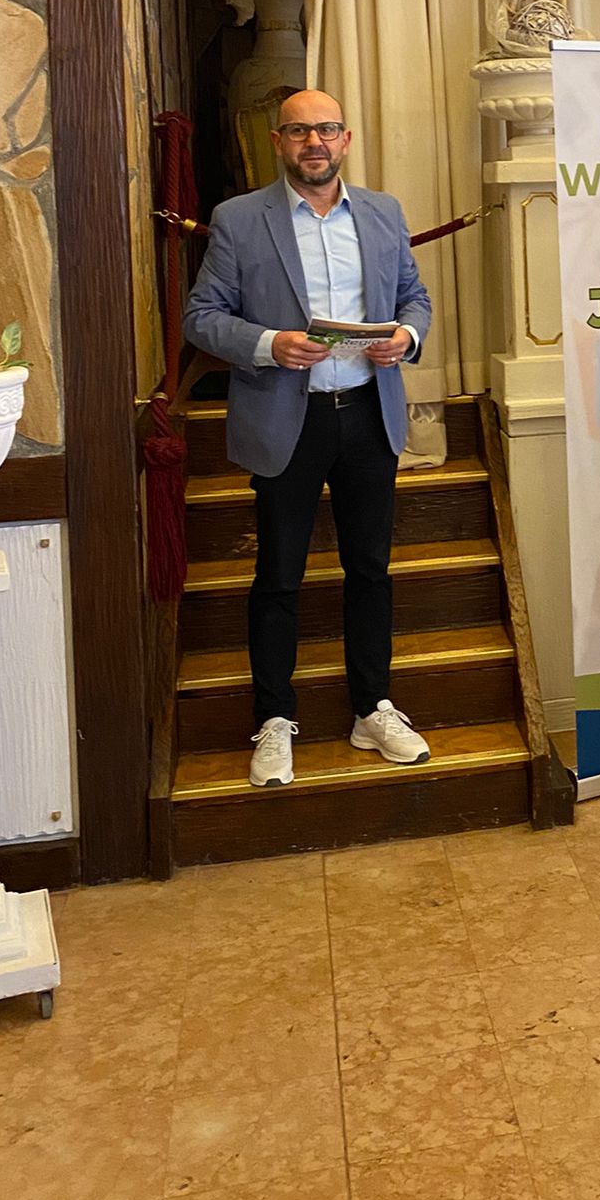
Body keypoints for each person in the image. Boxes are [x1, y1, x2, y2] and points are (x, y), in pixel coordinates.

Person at [182, 89, 434, 788]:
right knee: (278, 576)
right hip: (284, 419)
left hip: (368, 413)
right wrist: (269, 343)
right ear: (277, 142)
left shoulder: (382, 212)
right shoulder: (239, 219)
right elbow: (201, 316)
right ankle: (273, 718)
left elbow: (413, 297)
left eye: (326, 130)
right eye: (299, 131)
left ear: (345, 139)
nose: (314, 142)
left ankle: (372, 708)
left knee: (371, 571)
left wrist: (407, 335)